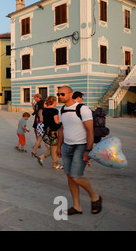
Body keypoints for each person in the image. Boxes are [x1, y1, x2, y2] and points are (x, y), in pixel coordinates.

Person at [57, 86, 102, 215]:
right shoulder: (62, 109)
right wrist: (59, 147)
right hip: (67, 146)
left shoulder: (83, 109)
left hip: (81, 146)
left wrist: (89, 150)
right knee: (69, 177)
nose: (60, 96)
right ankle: (77, 206)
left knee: (76, 177)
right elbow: (61, 129)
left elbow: (90, 130)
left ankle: (94, 196)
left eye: (62, 94)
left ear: (71, 94)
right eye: (58, 94)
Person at [36, 96, 63, 169]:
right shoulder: (54, 111)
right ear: (54, 102)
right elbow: (57, 122)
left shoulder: (45, 110)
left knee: (53, 146)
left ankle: (42, 156)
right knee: (54, 147)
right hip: (54, 131)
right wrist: (63, 121)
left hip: (47, 130)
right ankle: (55, 164)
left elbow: (43, 119)